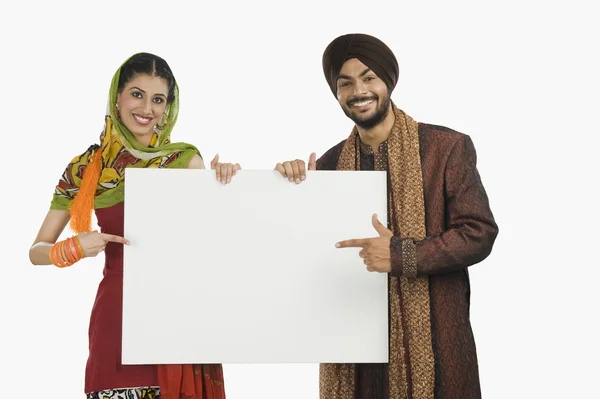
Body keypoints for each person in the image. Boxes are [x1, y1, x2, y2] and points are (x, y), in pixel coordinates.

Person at [275, 33, 498, 399]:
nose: (358, 90)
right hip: (356, 350)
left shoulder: (445, 148)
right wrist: (294, 192)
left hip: (436, 345)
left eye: (368, 77)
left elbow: (479, 232)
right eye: (345, 83)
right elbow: (309, 260)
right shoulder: (329, 165)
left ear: (387, 81)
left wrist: (400, 254)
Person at [29, 53, 239, 399]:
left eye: (158, 99)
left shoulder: (185, 161)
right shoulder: (85, 168)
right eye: (137, 94)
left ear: (168, 107)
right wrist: (73, 248)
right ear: (117, 97)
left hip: (180, 317)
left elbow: (211, 247)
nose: (147, 108)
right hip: (118, 322)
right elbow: (37, 251)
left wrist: (223, 188)